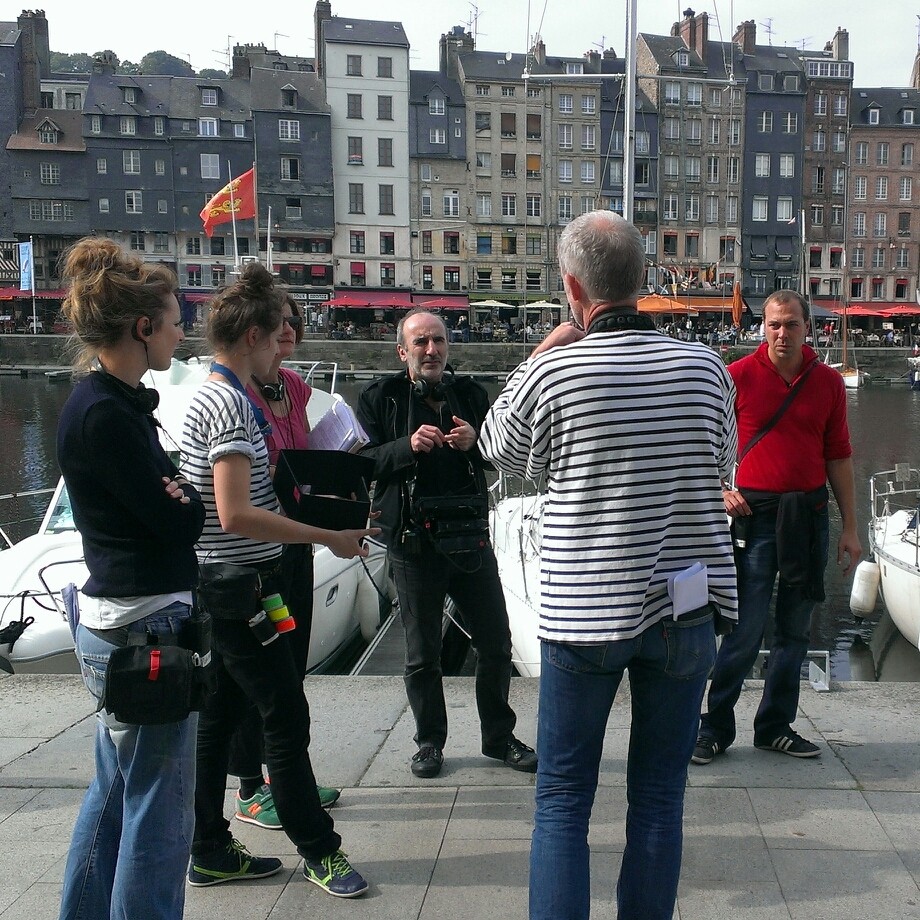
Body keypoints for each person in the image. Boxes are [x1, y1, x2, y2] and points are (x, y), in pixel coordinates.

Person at [479, 210, 738, 920]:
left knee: (563, 799)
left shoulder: (557, 372)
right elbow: (723, 465)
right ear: (644, 280)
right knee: (659, 797)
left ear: (572, 287)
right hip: (683, 610)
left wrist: (542, 352)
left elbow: (499, 452)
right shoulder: (707, 369)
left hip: (584, 612)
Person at [182, 263, 378, 898]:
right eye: (275, 338)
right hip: (244, 588)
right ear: (251, 340)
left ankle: (207, 844)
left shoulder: (207, 395)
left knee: (220, 715)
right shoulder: (233, 406)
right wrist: (328, 536)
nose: (281, 349)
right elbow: (236, 513)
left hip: (217, 584)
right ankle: (319, 850)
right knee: (284, 715)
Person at [56, 238, 206, 920]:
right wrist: (182, 499)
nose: (182, 332)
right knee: (158, 819)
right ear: (142, 328)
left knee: (114, 795)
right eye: (174, 321)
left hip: (122, 621)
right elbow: (179, 522)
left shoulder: (104, 403)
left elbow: (169, 505)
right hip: (144, 626)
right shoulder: (108, 416)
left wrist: (176, 496)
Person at [356, 309, 537, 779]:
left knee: (496, 644)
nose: (431, 350)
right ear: (403, 352)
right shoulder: (381, 398)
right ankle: (429, 742)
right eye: (420, 343)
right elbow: (360, 462)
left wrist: (474, 442)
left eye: (437, 341)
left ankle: (499, 738)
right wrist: (406, 446)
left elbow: (504, 456)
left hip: (470, 538)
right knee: (422, 655)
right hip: (412, 543)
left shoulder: (472, 394)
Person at [693, 289, 862, 765]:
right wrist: (721, 488)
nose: (782, 333)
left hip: (807, 514)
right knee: (744, 629)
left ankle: (774, 726)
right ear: (761, 328)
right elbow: (706, 443)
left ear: (808, 328)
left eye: (790, 324)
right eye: (773, 325)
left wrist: (850, 527)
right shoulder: (737, 378)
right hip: (754, 516)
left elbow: (839, 456)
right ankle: (715, 728)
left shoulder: (827, 383)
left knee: (794, 628)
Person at [225, 293, 339, 831]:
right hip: (258, 547)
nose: (290, 330)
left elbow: (305, 452)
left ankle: (287, 772)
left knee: (291, 659)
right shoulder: (238, 392)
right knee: (260, 673)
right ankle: (250, 785)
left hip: (293, 542)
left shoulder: (294, 386)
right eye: (281, 323)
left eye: (295, 321)